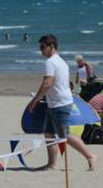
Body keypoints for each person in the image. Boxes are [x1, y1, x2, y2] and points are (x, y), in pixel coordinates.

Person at [27, 34, 97, 171]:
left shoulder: (51, 62)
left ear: (51, 47)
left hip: (60, 103)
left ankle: (90, 156)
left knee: (64, 134)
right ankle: (51, 164)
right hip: (55, 103)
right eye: (40, 47)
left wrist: (35, 101)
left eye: (43, 47)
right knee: (48, 133)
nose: (41, 50)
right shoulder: (60, 61)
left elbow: (47, 83)